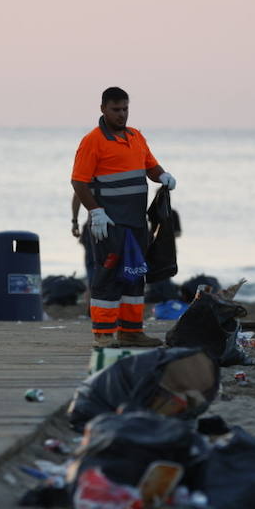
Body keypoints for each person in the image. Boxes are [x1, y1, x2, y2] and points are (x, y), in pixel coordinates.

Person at [71, 86, 176, 347]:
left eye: (125, 109)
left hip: (137, 223)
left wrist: (162, 175)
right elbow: (79, 183)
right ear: (103, 109)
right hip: (109, 223)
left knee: (135, 274)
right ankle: (103, 334)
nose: (121, 114)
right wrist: (95, 213)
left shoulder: (136, 136)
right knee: (107, 276)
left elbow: (150, 165)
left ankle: (131, 331)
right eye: (116, 109)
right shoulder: (92, 141)